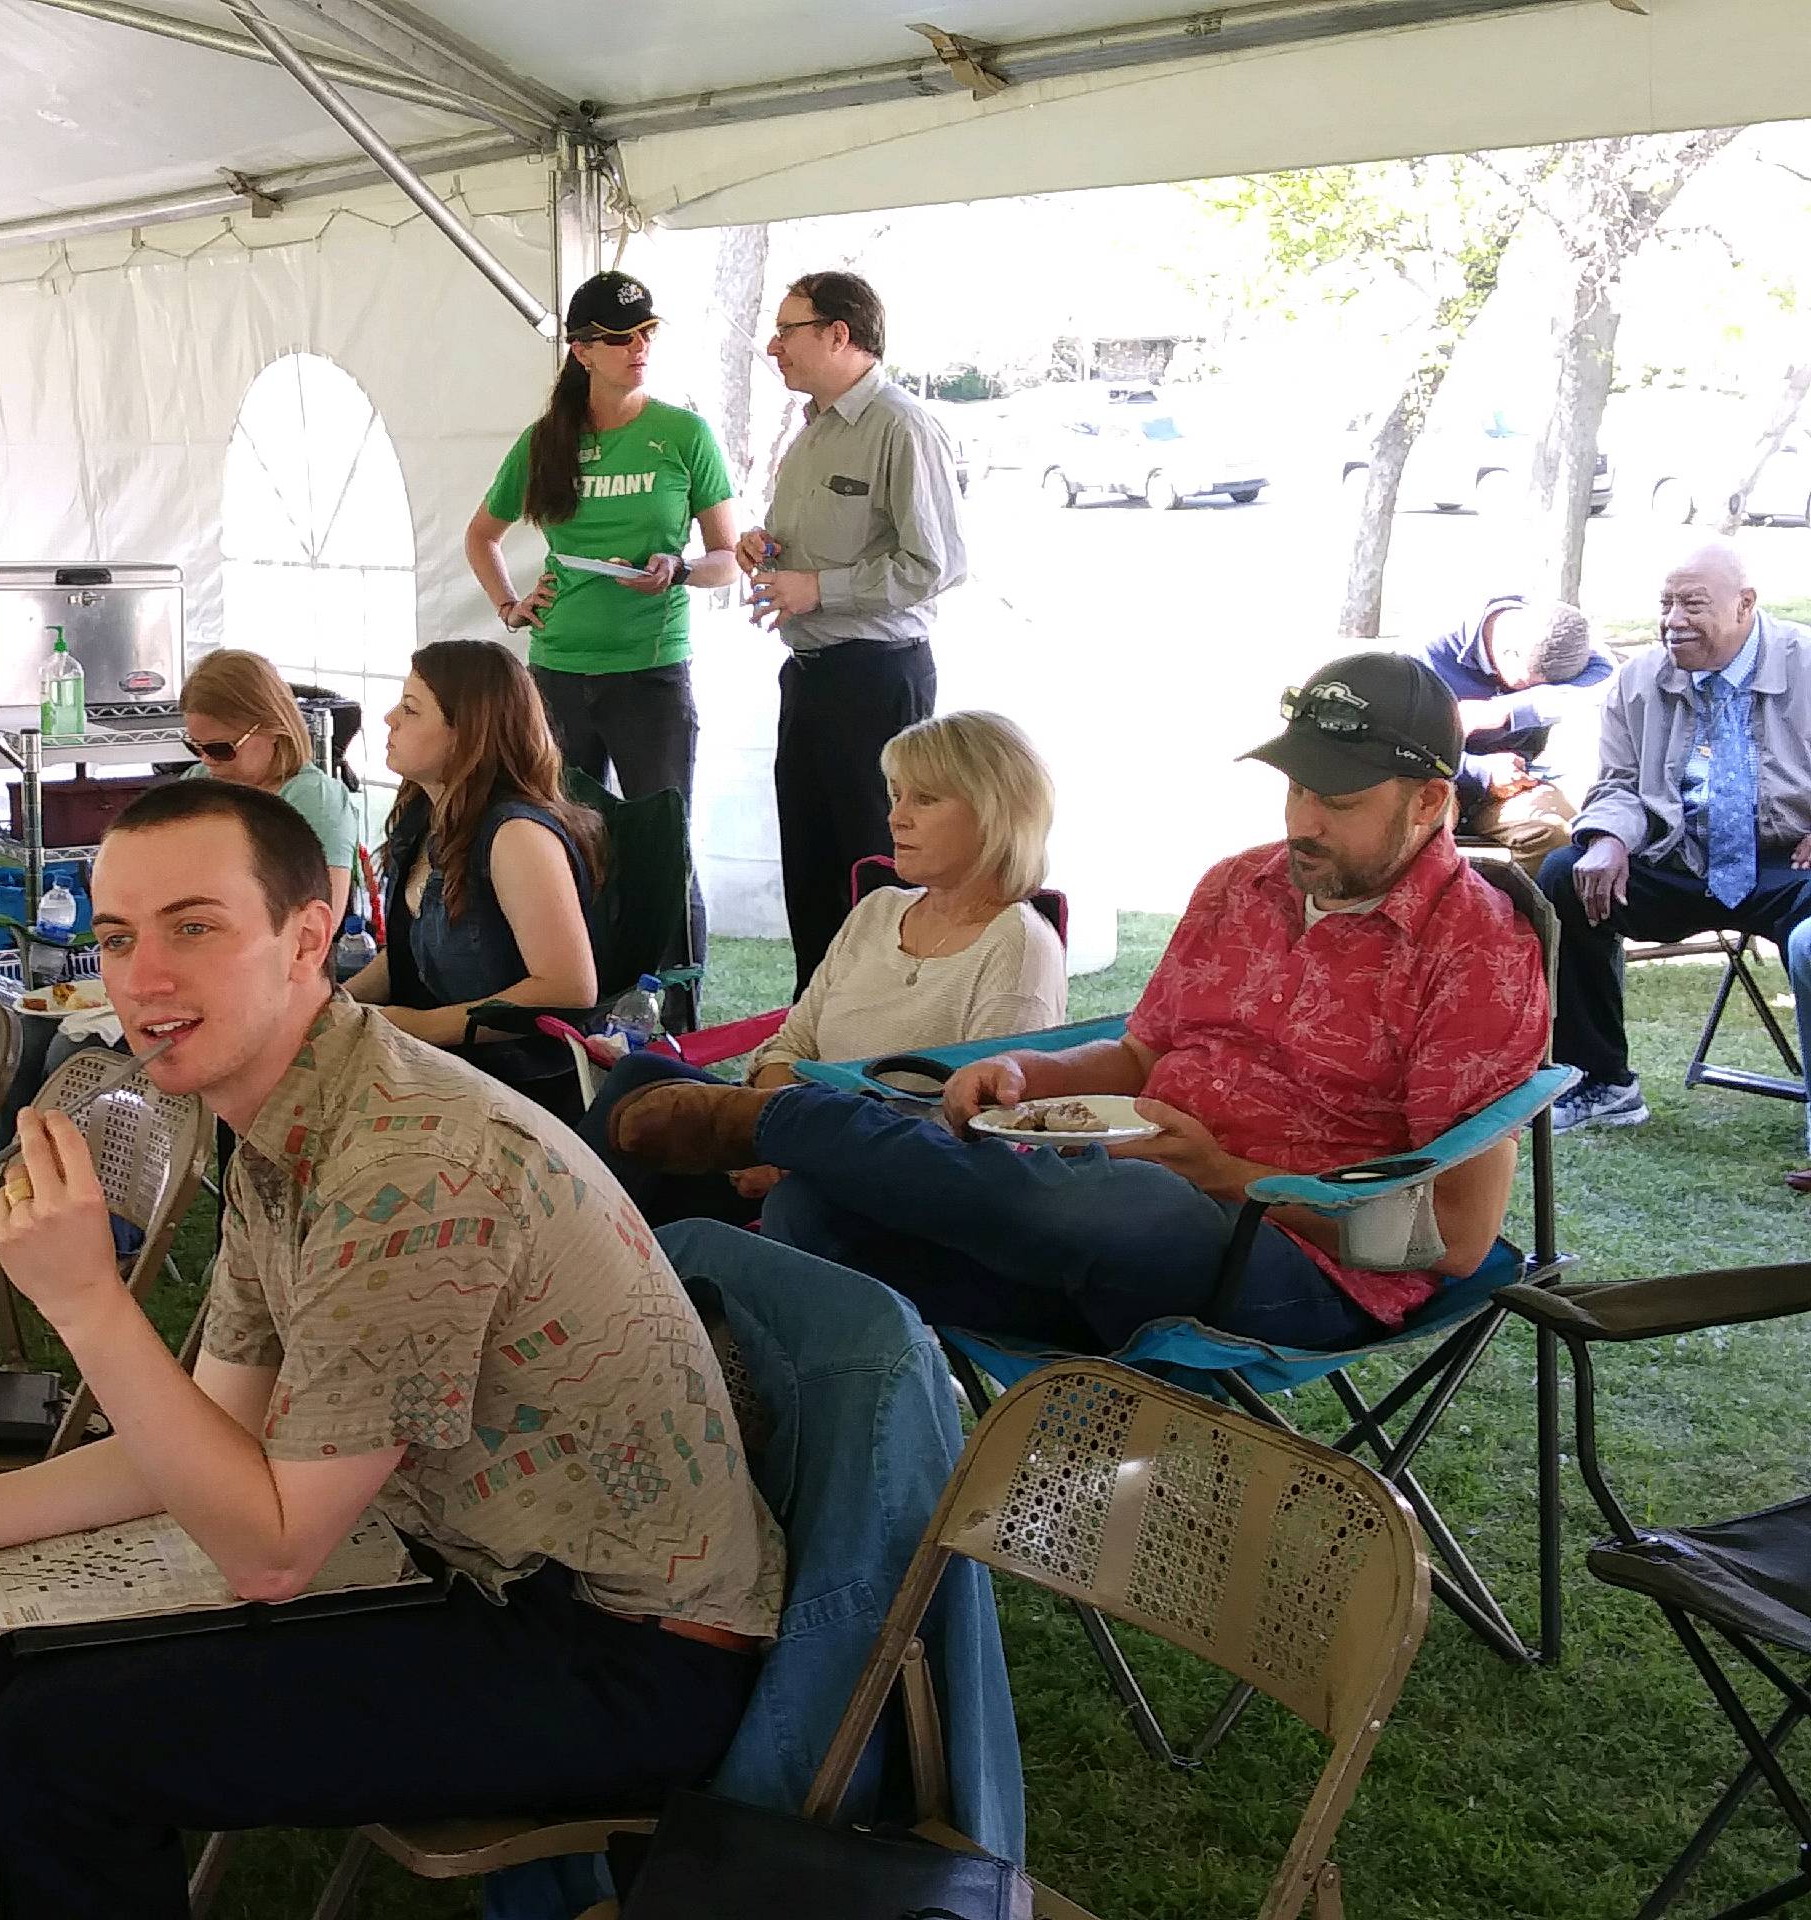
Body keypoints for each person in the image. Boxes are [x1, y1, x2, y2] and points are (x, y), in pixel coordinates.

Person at [0, 779, 782, 1920]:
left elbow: (271, 1554)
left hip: (623, 1649)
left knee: (75, 1743)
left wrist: (90, 1305)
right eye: (115, 936)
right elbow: (214, 1433)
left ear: (309, 938)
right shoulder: (288, 1116)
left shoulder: (409, 1167)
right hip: (472, 1563)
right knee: (20, 1619)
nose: (141, 979)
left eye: (193, 927)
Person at [604, 653, 1547, 1355]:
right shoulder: (1237, 887)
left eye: (1337, 799)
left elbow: (1454, 1239)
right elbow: (1140, 1058)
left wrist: (1227, 1174)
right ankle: (795, 1365)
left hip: (1286, 1265)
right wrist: (1031, 1071)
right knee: (819, 1213)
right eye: (1296, 785)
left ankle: (786, 1121)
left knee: (1133, 1204)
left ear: (1429, 803)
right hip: (1089, 1219)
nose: (1302, 819)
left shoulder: (1477, 952)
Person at [579, 710, 1067, 1226]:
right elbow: (790, 1046)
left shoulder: (1017, 944)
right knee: (641, 1079)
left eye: (924, 799)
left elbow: (981, 1131)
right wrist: (780, 1137)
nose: (896, 817)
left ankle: (582, 1259)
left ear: (996, 814)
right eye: (896, 795)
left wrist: (801, 1156)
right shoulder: (878, 912)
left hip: (890, 1186)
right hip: (792, 1139)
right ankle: (563, 1242)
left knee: (782, 1204)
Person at [466, 269, 741, 957]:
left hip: (650, 673)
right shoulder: (544, 440)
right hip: (556, 672)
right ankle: (582, 1000)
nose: (637, 347)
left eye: (645, 332)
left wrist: (678, 569)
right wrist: (510, 605)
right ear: (582, 351)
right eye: (618, 338)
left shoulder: (684, 434)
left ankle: (680, 1011)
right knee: (561, 846)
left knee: (661, 851)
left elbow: (728, 558)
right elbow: (482, 535)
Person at [1539, 544, 1811, 1176]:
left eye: (1693, 604)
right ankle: (1601, 1083)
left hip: (1791, 861)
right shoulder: (1639, 680)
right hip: (1681, 853)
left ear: (1746, 605)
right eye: (1665, 604)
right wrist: (1606, 837)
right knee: (1562, 877)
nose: (1673, 620)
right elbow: (1618, 784)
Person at [735, 271, 968, 995]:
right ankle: (812, 1031)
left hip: (877, 678)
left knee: (875, 868)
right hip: (810, 676)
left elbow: (938, 564)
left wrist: (818, 588)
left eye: (787, 330)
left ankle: (877, 1033)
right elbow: (822, 549)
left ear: (840, 335)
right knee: (810, 869)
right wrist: (765, 550)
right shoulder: (809, 433)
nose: (773, 347)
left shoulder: (901, 425)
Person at [345, 640, 602, 1092]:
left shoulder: (516, 836)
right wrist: (335, 1005)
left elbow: (569, 987)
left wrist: (420, 1026)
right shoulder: (425, 818)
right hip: (441, 1064)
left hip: (515, 1081)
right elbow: (408, 956)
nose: (389, 719)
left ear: (467, 732)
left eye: (410, 709)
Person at [1411, 594, 1612, 867]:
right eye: (1527, 685)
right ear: (1509, 655)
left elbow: (1607, 678)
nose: (1535, 694)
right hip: (1434, 779)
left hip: (1514, 785)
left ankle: (1522, 908)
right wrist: (1481, 771)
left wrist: (1507, 711)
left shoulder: (1559, 638)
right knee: (1428, 830)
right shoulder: (1427, 656)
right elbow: (1401, 748)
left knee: (1559, 836)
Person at [178, 648, 359, 927]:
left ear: (272, 728)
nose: (206, 759)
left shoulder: (314, 798)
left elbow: (321, 920)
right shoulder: (196, 782)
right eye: (194, 747)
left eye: (220, 748)